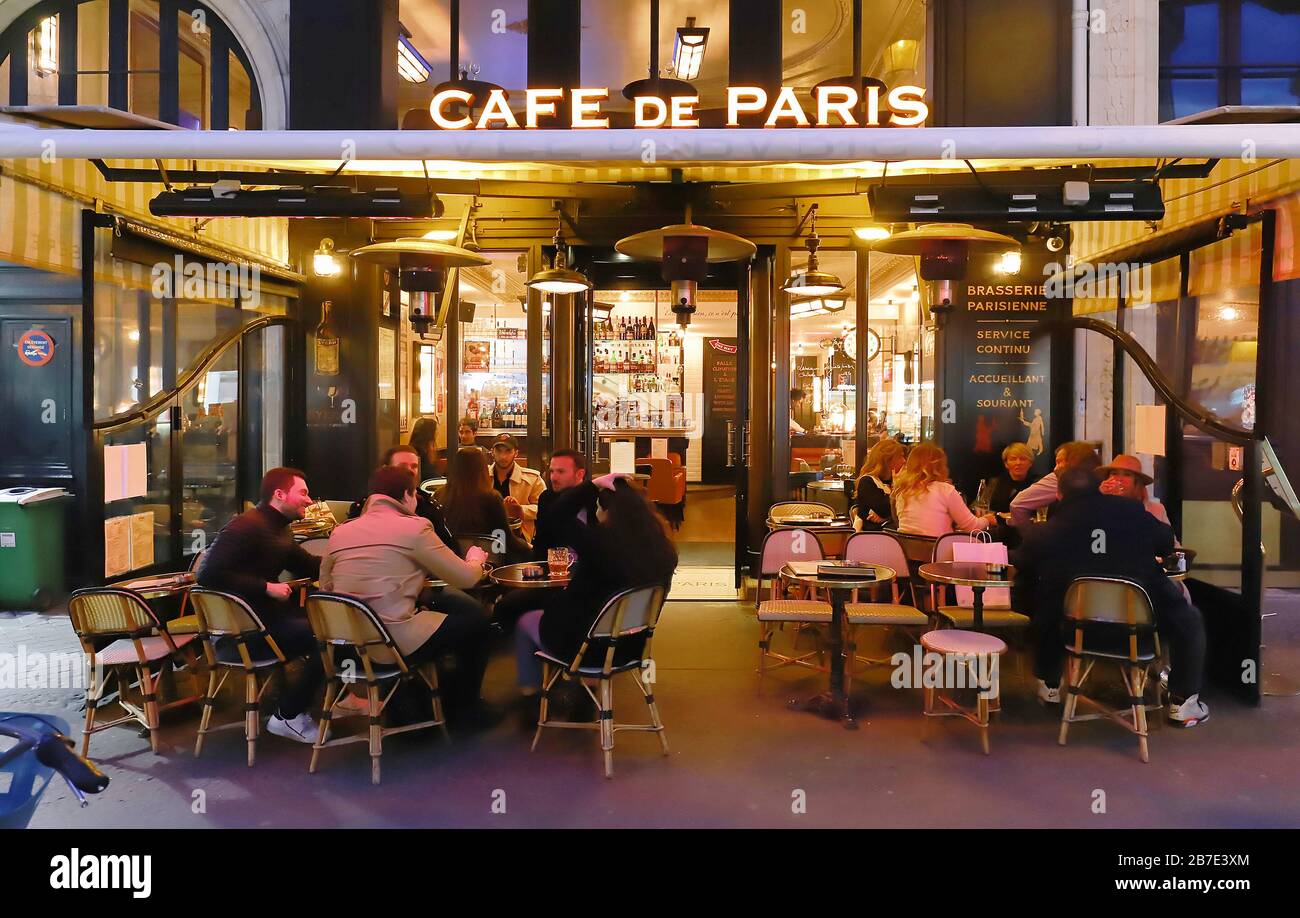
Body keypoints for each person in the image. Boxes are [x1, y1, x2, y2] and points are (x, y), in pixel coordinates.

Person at [1012, 465, 1208, 726]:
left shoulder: (1044, 533)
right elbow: (1165, 539)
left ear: (1059, 495)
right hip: (1139, 635)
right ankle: (1183, 704)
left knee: (1045, 601)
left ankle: (1049, 684)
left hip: (1076, 636)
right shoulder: (1130, 511)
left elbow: (1022, 565)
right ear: (1097, 488)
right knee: (1189, 618)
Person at [321, 466, 497, 728]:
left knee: (442, 619)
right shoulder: (415, 528)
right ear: (407, 494)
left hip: (346, 645)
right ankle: (465, 710)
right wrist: (476, 560)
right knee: (477, 624)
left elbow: (327, 586)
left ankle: (422, 701)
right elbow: (465, 578)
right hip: (392, 643)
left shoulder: (341, 532)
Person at [513, 473, 678, 712]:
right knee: (593, 624)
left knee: (527, 621)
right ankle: (585, 698)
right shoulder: (664, 552)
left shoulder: (599, 545)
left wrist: (592, 485)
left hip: (586, 649)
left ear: (606, 510)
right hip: (631, 647)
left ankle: (530, 703)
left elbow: (555, 515)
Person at [196, 467, 324, 744]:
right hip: (246, 635)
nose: (309, 500)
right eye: (303, 493)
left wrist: (351, 557)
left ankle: (319, 699)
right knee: (331, 638)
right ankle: (289, 715)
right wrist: (266, 587)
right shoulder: (246, 526)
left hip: (265, 623)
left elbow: (309, 565)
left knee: (330, 623)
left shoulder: (278, 529)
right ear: (279, 494)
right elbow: (206, 575)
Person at [349, 446, 485, 624]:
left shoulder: (428, 505)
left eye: (414, 466)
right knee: (475, 616)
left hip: (359, 614)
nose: (409, 471)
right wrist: (475, 561)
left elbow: (449, 548)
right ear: (385, 469)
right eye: (402, 466)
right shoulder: (361, 511)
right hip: (390, 608)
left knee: (472, 609)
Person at [492, 449, 597, 629]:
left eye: (561, 472)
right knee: (505, 607)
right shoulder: (548, 498)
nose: (554, 477)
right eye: (551, 471)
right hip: (553, 577)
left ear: (580, 474)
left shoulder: (597, 500)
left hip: (588, 579)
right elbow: (543, 540)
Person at [438, 446, 532, 563]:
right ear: (482, 469)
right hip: (490, 564)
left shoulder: (439, 496)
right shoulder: (491, 498)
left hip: (451, 563)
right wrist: (528, 547)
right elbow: (504, 538)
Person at [891, 443, 996, 537]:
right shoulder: (945, 490)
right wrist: (987, 519)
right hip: (938, 554)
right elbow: (972, 527)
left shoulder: (902, 491)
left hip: (906, 553)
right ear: (940, 466)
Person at [1009, 440, 1099, 528]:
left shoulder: (1058, 478)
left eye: (1059, 462)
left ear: (1073, 461)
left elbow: (1017, 505)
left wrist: (1029, 534)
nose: (1055, 468)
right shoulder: (1100, 479)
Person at [488, 434, 547, 542]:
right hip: (488, 534)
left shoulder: (532, 478)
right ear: (492, 452)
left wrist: (520, 510)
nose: (503, 456)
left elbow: (545, 507)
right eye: (499, 451)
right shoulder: (482, 476)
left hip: (519, 536)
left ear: (516, 453)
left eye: (508, 451)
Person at [1096, 454, 1170, 524]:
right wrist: (1101, 499)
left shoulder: (1157, 510)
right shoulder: (1099, 505)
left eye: (1127, 474)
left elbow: (1167, 537)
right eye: (1114, 473)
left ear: (1138, 482)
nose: (1119, 479)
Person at [854, 438, 905, 531]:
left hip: (891, 533)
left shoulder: (893, 481)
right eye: (900, 457)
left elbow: (907, 511)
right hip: (872, 537)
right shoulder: (867, 482)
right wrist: (890, 516)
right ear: (888, 461)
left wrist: (886, 518)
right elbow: (885, 509)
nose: (904, 461)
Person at [985, 442, 1039, 514]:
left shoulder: (1037, 484)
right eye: (1013, 459)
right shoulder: (995, 483)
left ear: (1030, 463)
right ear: (1006, 464)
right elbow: (979, 506)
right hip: (995, 522)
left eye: (1023, 459)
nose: (1018, 463)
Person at [408, 417, 444, 482]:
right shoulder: (419, 451)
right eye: (436, 430)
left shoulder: (417, 447)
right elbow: (430, 474)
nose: (437, 433)